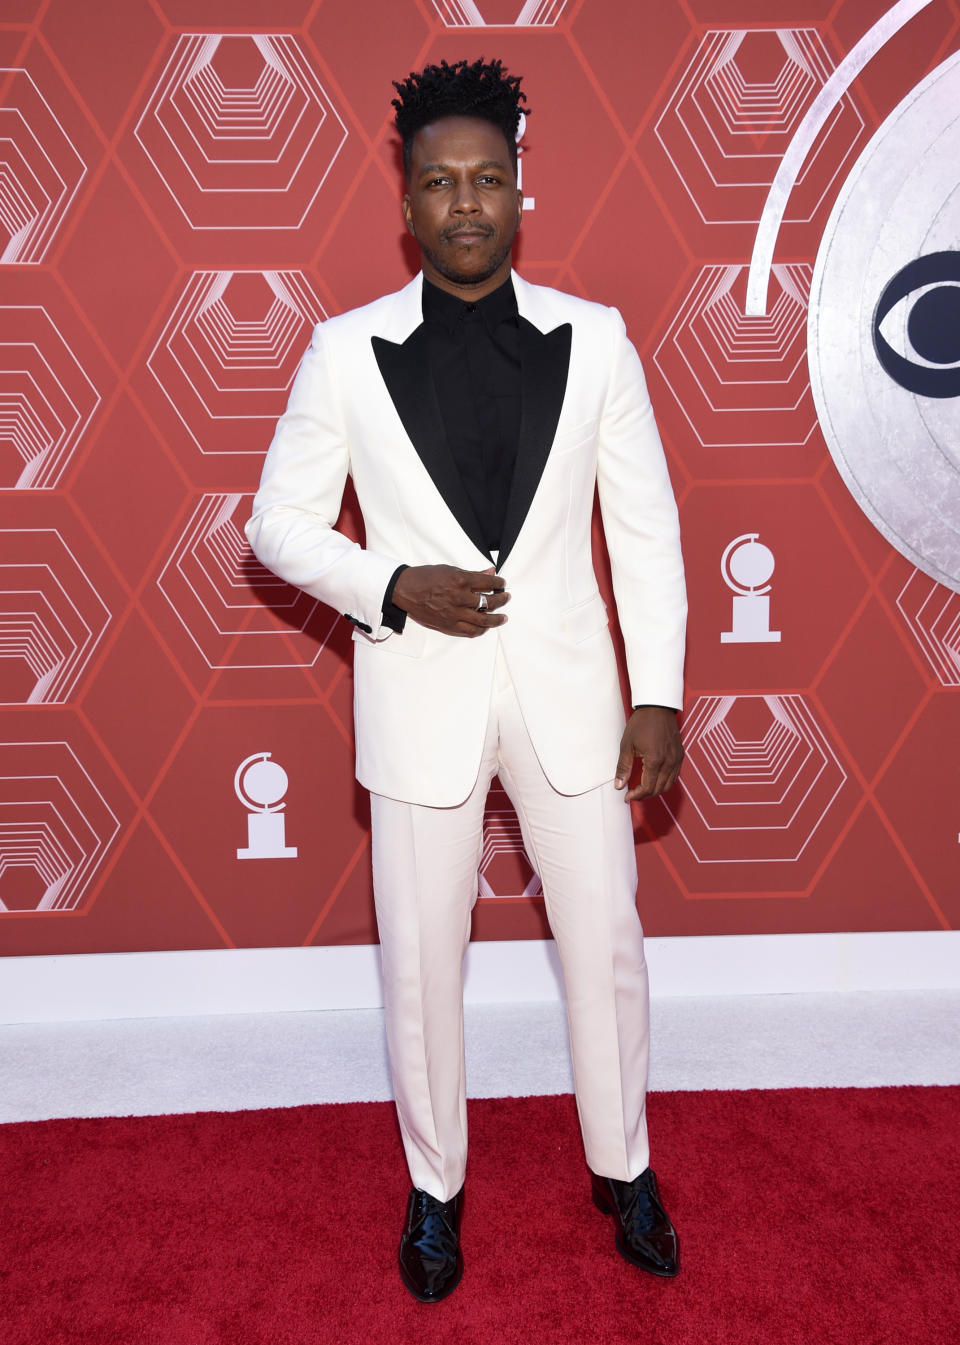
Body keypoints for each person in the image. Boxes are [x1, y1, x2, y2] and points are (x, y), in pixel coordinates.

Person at [246, 57, 687, 1303]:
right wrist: (394, 586)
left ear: (520, 190)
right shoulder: (343, 354)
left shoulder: (597, 342)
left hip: (573, 701)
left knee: (604, 943)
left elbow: (645, 532)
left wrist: (657, 691)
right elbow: (275, 524)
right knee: (421, 961)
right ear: (408, 202)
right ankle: (434, 1189)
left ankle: (627, 1167)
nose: (465, 202)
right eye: (438, 182)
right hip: (419, 694)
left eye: (487, 178)